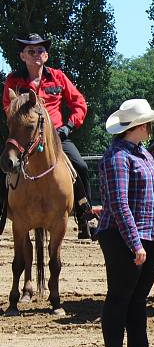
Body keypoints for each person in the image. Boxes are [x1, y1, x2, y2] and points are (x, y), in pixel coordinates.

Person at [97, 99, 154, 347]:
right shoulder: (117, 157)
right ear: (139, 126)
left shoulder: (144, 154)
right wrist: (135, 243)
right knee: (120, 297)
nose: (152, 126)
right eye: (148, 122)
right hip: (122, 237)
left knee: (138, 298)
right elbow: (119, 204)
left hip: (149, 235)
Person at [2, 33, 95, 239]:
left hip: (57, 138)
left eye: (40, 50)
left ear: (46, 55)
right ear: (22, 56)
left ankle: (84, 215)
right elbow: (8, 107)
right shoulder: (13, 80)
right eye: (31, 51)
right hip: (24, 138)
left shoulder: (58, 77)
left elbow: (79, 103)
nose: (36, 54)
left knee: (80, 166)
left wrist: (69, 127)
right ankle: (3, 212)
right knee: (5, 165)